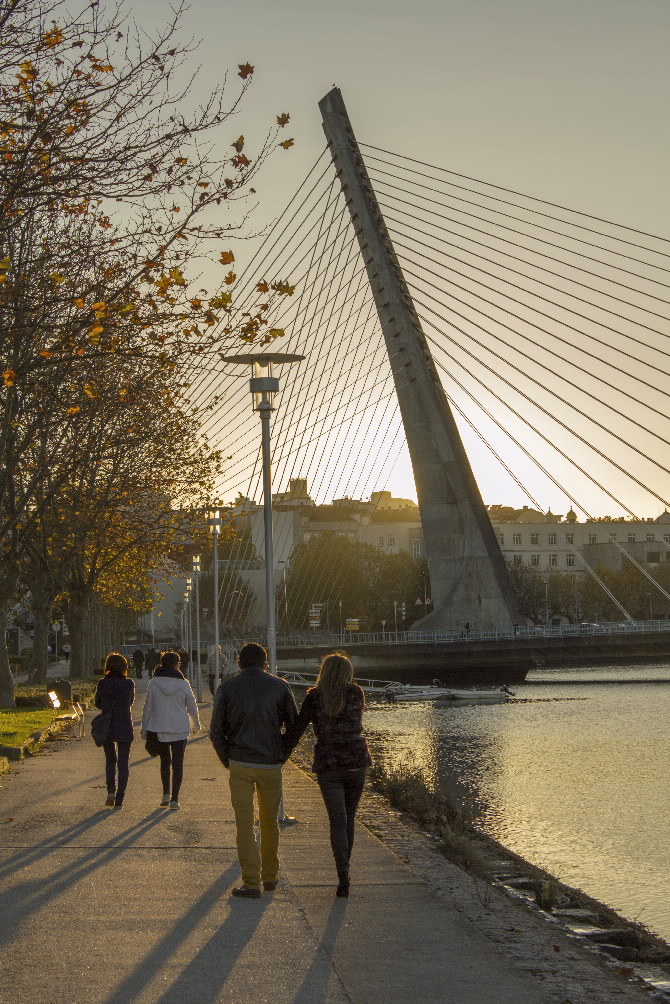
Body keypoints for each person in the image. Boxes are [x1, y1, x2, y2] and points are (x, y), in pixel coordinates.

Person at [210, 642, 297, 899]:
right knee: (270, 822)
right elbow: (293, 727)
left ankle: (251, 882)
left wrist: (228, 759)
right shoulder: (280, 686)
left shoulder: (227, 688)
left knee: (244, 824)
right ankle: (270, 877)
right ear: (265, 664)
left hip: (240, 762)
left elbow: (216, 731)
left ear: (239, 664)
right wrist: (281, 754)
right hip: (270, 763)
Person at [284, 652, 371, 898]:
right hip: (356, 762)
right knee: (349, 819)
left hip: (328, 764)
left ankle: (342, 875)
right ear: (347, 672)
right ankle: (345, 872)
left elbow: (297, 730)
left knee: (337, 820)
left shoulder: (314, 697)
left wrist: (280, 753)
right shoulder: (356, 693)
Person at [141, 650, 201, 809]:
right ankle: (175, 799)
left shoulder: (154, 683)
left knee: (165, 761)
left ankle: (165, 794)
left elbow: (148, 708)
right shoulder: (183, 683)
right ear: (177, 664)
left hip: (160, 726)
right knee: (178, 763)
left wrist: (144, 729)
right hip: (180, 727)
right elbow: (192, 706)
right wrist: (196, 724)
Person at [95, 652, 135, 809]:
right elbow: (130, 702)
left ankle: (110, 791)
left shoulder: (102, 683)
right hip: (124, 724)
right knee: (123, 763)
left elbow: (98, 704)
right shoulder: (129, 684)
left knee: (110, 759)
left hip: (108, 724)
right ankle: (120, 798)